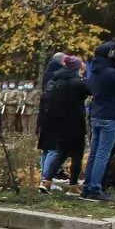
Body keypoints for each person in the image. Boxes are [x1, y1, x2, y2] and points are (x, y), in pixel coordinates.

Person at [82, 41, 115, 201]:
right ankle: (95, 188)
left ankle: (87, 186)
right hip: (109, 115)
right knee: (102, 154)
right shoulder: (110, 73)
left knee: (94, 153)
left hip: (97, 114)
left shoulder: (96, 70)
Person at [37, 55, 89, 193]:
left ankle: (46, 181)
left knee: (60, 154)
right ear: (77, 68)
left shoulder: (54, 81)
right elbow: (91, 90)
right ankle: (73, 186)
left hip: (59, 124)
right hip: (76, 124)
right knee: (77, 156)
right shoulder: (78, 83)